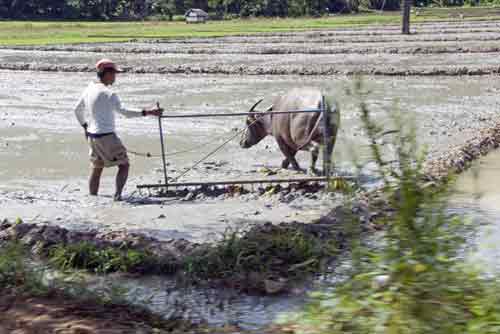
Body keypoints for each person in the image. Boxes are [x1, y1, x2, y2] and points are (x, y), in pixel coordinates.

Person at [74, 59, 163, 201]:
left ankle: (93, 198)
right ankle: (118, 196)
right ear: (107, 74)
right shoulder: (109, 94)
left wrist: (85, 126)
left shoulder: (89, 89)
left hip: (92, 136)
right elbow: (125, 112)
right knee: (124, 165)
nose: (115, 77)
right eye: (114, 73)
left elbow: (77, 110)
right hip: (107, 136)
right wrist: (149, 112)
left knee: (97, 168)